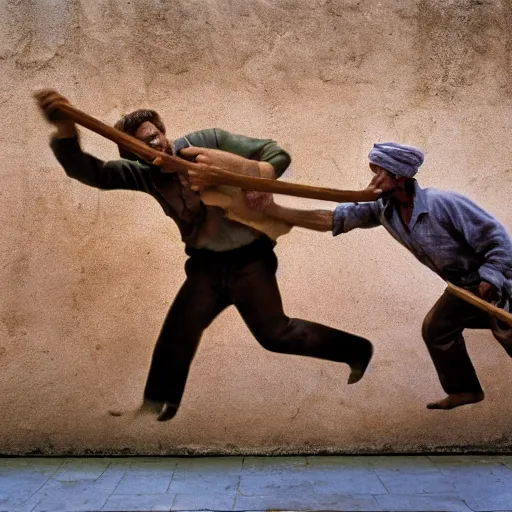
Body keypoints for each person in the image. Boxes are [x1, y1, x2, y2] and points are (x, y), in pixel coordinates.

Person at [35, 90, 374, 422]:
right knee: (179, 330)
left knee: (275, 334)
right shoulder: (143, 174)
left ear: (164, 131)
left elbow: (275, 153)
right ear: (131, 154)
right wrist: (67, 129)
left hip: (250, 261)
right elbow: (91, 172)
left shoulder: (207, 142)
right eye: (143, 144)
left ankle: (356, 350)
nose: (155, 146)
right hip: (205, 268)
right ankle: (157, 403)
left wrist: (256, 181)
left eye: (156, 136)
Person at [233, 141, 512, 411]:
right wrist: (275, 211)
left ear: (399, 176)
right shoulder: (383, 209)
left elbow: (498, 241)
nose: (374, 179)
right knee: (437, 329)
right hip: (462, 289)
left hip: (499, 283)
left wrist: (491, 277)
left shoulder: (444, 203)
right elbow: (332, 219)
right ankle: (465, 389)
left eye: (379, 172)